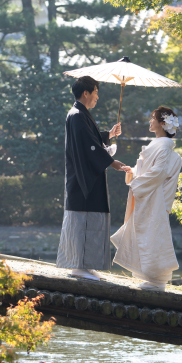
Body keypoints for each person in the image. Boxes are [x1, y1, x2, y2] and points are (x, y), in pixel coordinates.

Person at [57, 76, 128, 281]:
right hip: (82, 179)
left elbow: (91, 139)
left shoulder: (80, 113)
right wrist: (111, 162)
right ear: (86, 93)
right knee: (82, 220)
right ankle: (78, 265)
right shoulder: (77, 115)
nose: (98, 96)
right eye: (96, 91)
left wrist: (108, 135)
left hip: (87, 176)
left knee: (90, 220)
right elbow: (89, 146)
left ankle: (86, 265)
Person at [110, 106, 182, 291]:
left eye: (153, 118)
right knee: (147, 234)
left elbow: (158, 172)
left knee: (152, 235)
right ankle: (152, 277)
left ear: (162, 123)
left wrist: (137, 183)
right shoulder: (159, 144)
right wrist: (133, 171)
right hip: (148, 195)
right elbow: (149, 170)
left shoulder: (163, 146)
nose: (150, 121)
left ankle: (157, 279)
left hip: (152, 196)